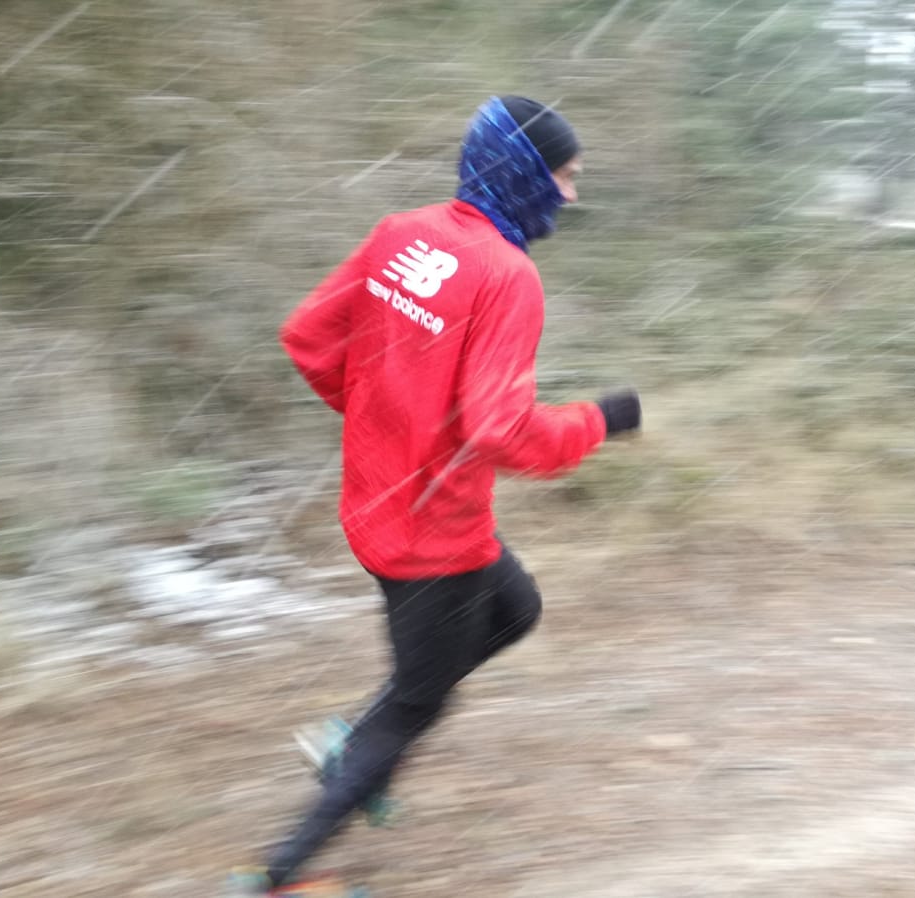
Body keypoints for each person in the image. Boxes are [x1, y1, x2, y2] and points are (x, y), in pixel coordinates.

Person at [229, 95, 641, 895]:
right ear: (526, 173)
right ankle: (275, 875)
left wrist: (390, 429)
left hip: (380, 505)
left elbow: (310, 338)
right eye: (565, 176)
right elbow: (500, 429)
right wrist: (599, 420)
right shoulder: (507, 276)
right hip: (430, 538)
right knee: (417, 705)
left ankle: (358, 739)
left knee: (515, 609)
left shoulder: (402, 233)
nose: (571, 195)